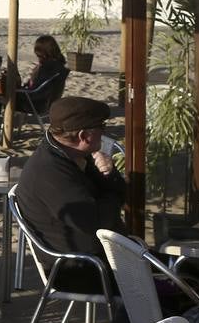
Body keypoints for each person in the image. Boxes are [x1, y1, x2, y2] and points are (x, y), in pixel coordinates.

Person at [14, 97, 126, 293]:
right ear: (84, 136)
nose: (104, 132)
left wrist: (108, 173)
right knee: (180, 279)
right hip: (80, 269)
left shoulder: (72, 156)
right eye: (102, 127)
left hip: (100, 258)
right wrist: (112, 195)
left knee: (184, 271)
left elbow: (119, 196)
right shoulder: (51, 170)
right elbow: (97, 222)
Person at [17, 34, 67, 112]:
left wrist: (18, 91)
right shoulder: (59, 66)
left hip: (36, 104)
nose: (37, 57)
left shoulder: (47, 68)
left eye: (38, 55)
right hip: (48, 104)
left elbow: (36, 92)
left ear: (43, 53)